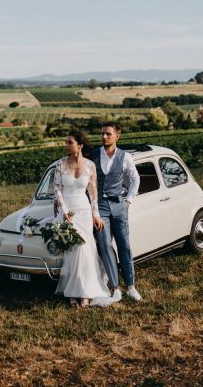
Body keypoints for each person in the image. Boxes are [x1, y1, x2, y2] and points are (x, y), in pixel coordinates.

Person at [53, 130, 113, 308]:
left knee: (86, 250)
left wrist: (95, 214)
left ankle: (86, 293)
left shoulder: (90, 166)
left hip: (84, 211)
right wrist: (64, 211)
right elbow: (57, 190)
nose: (66, 145)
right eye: (66, 142)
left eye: (69, 142)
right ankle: (73, 292)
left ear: (79, 145)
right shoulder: (60, 165)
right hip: (67, 211)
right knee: (73, 251)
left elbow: (93, 192)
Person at [93, 121, 142, 302]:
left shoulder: (125, 156)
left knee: (124, 246)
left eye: (108, 134)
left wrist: (128, 200)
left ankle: (130, 286)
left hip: (119, 205)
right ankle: (115, 288)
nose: (104, 137)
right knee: (105, 246)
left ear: (117, 135)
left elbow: (135, 178)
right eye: (102, 134)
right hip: (100, 207)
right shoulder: (94, 155)